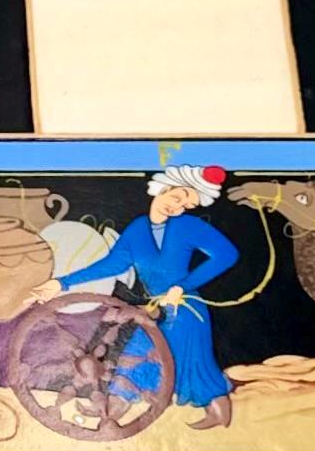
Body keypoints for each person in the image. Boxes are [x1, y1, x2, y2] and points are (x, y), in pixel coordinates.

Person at [44, 162, 241, 430]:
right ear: (164, 188)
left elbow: (227, 254)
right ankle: (111, 409)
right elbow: (111, 265)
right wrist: (63, 283)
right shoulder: (138, 229)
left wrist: (183, 286)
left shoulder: (188, 225)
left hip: (185, 310)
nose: (178, 208)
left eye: (186, 205)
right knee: (137, 354)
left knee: (192, 364)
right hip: (157, 309)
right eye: (178, 198)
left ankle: (220, 415)